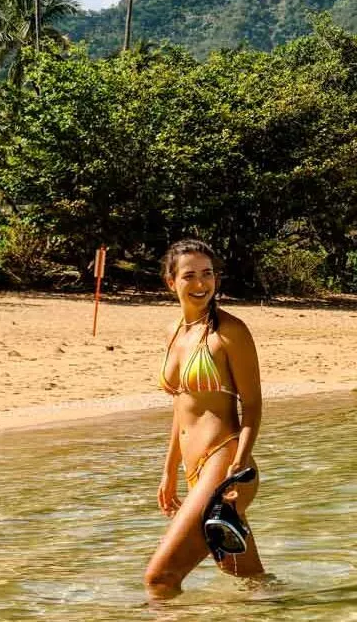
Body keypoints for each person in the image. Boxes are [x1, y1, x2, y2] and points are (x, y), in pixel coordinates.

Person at [144, 238, 264, 599]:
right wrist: (169, 472)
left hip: (224, 462)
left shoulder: (230, 333)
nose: (201, 284)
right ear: (171, 282)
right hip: (194, 470)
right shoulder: (174, 332)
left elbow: (253, 405)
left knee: (160, 579)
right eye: (189, 275)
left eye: (208, 274)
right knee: (249, 579)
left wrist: (239, 465)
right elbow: (182, 408)